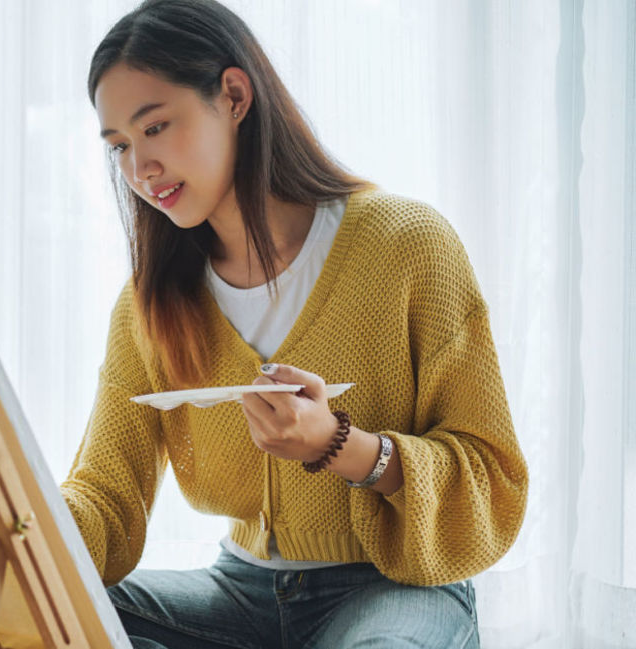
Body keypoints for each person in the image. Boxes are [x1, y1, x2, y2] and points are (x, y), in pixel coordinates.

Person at [59, 1, 529, 646]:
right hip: (237, 593)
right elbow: (106, 496)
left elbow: (491, 476)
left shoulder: (407, 247)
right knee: (48, 621)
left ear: (233, 95)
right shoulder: (151, 304)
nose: (139, 170)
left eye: (157, 126)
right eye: (119, 147)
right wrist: (16, 518)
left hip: (393, 588)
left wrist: (340, 446)